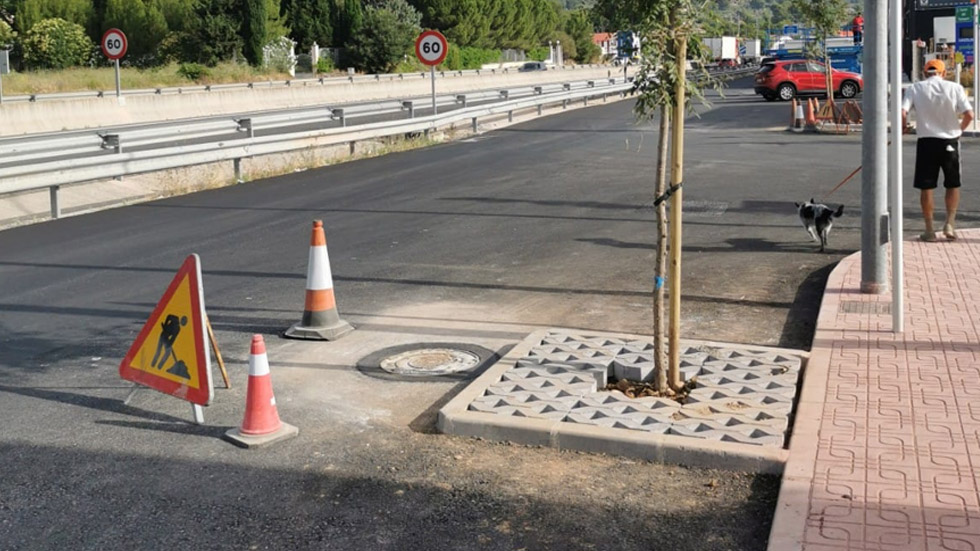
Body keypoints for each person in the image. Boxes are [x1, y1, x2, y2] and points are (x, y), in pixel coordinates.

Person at [902, 58, 974, 241]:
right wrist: (959, 130)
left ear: (925, 72)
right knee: (952, 183)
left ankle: (929, 229)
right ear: (943, 73)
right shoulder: (954, 87)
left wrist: (904, 127)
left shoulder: (915, 88)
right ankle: (949, 223)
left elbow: (903, 111)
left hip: (926, 141)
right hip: (950, 140)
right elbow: (969, 114)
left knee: (926, 187)